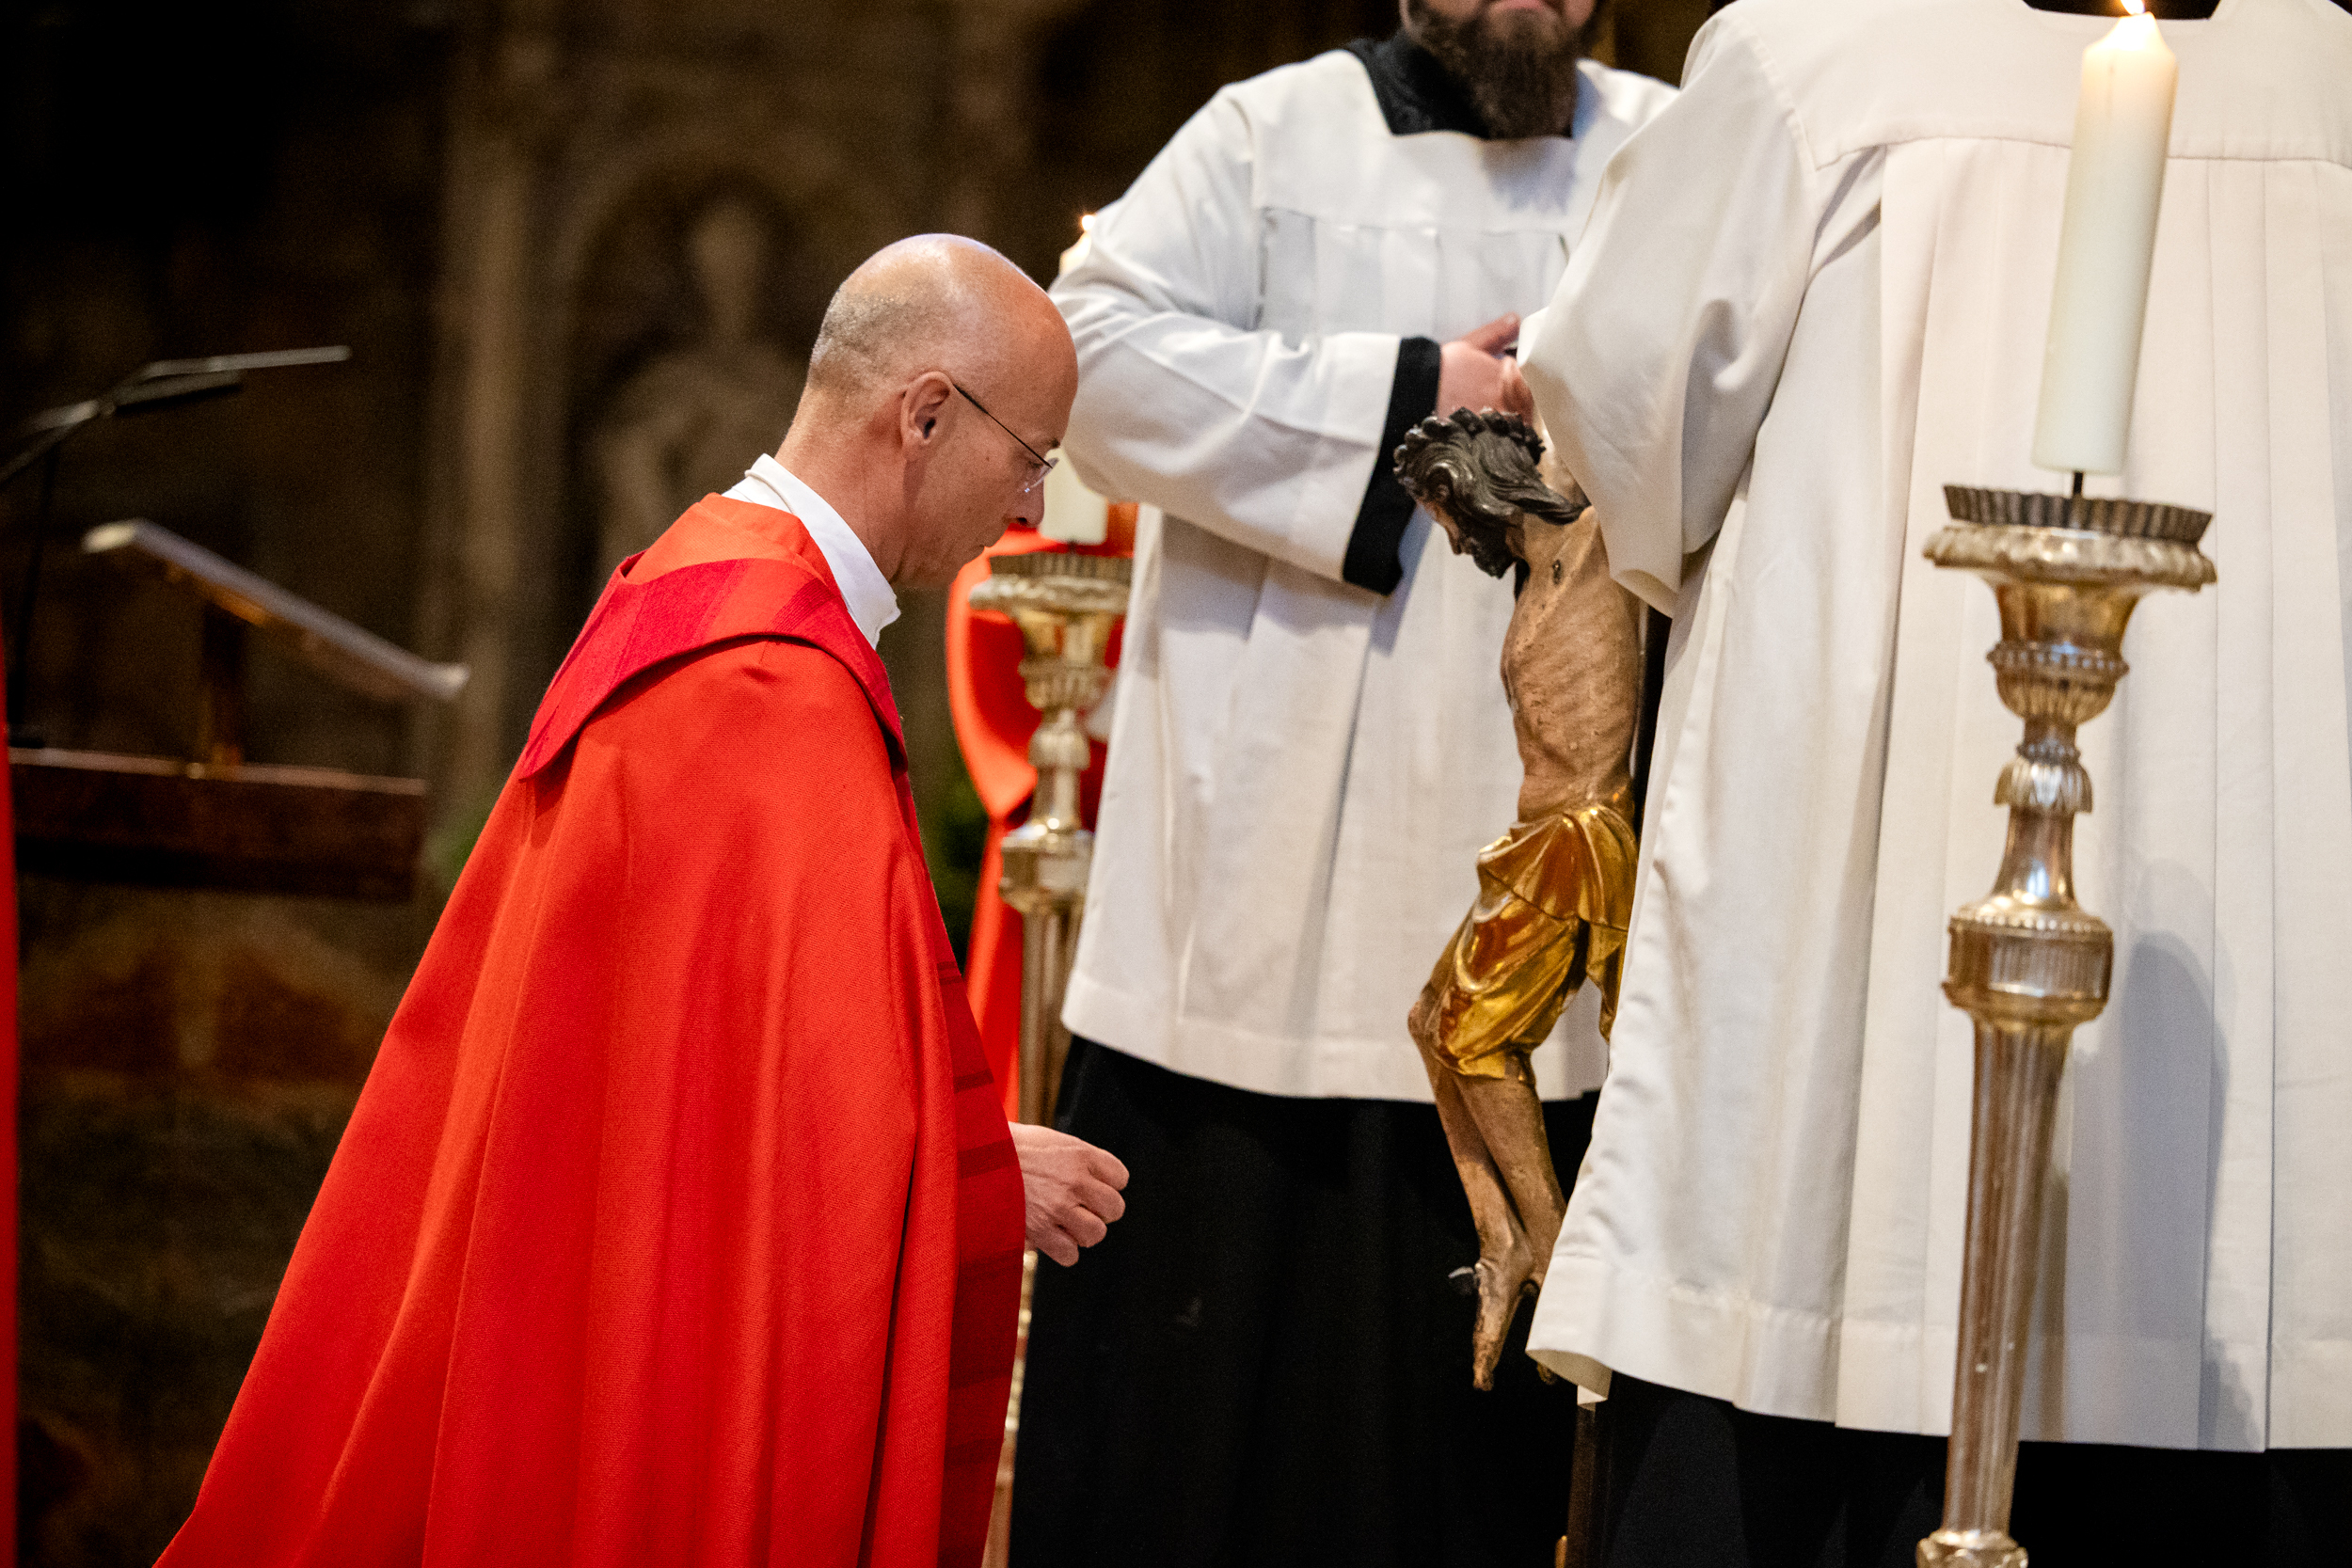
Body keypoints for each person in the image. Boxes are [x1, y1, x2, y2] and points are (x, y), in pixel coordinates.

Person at [1518, 0, 2352, 1560]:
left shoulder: (1814, 60)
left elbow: (1615, 401)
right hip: (2269, 884)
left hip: (1885, 841)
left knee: (1843, 1243)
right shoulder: (2333, 84)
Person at [156, 234, 1130, 1568]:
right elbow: (790, 1147)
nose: (1029, 506)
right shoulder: (771, 684)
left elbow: (713, 1091)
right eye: (1029, 456)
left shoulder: (705, 585)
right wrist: (975, 1169)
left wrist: (957, 1149)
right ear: (924, 414)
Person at [1015, 2, 1674, 1561]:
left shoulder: (1674, 149)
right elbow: (1081, 359)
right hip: (1260, 922)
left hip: (1565, 919)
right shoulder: (1269, 139)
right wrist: (1418, 387)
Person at [1393, 409, 1643, 1393]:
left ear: (1477, 484)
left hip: (1576, 840)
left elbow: (1599, 415)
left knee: (1475, 1037)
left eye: (1449, 514)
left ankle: (1556, 1248)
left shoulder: (1595, 540)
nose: (1456, 541)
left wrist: (1549, 388)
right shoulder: (1536, 577)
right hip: (1533, 840)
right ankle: (1500, 1237)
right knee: (1430, 1021)